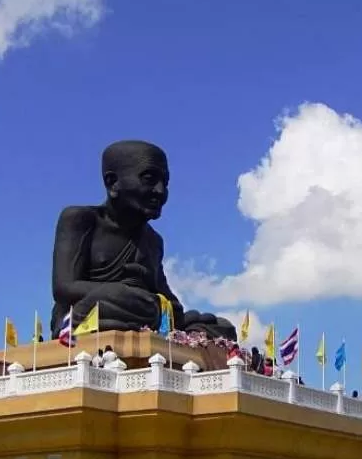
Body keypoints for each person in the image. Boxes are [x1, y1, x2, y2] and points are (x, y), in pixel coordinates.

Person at [51, 140, 237, 339]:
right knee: (116, 298)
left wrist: (180, 315)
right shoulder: (81, 219)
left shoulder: (153, 240)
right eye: (149, 179)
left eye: (165, 183)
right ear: (113, 183)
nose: (160, 191)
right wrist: (123, 293)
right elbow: (64, 288)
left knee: (221, 327)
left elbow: (168, 302)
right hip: (90, 314)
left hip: (140, 313)